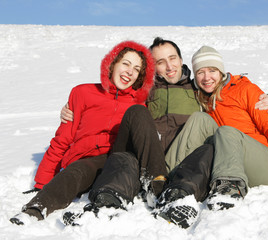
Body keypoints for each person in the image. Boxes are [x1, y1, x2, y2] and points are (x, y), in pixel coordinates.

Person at [60, 38, 268, 228]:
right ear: (153, 68)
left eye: (172, 58)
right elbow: (115, 99)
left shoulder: (198, 90)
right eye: (160, 62)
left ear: (181, 60)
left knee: (208, 151)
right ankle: (104, 206)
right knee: (125, 160)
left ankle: (180, 198)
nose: (169, 66)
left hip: (184, 165)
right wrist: (74, 111)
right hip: (150, 163)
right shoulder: (144, 91)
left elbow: (225, 92)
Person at [9, 40, 161, 225]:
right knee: (76, 171)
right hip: (85, 161)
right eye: (126, 64)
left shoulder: (138, 104)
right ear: (112, 64)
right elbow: (62, 139)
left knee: (135, 121)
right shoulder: (83, 93)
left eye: (136, 69)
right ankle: (35, 209)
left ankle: (156, 188)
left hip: (118, 160)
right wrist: (42, 182)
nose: (130, 71)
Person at [166, 45, 268, 221]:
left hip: (263, 164)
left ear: (221, 71)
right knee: (198, 119)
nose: (206, 77)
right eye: (200, 72)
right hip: (228, 159)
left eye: (212, 70)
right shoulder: (200, 97)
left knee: (226, 131)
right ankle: (168, 180)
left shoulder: (244, 89)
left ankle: (230, 187)